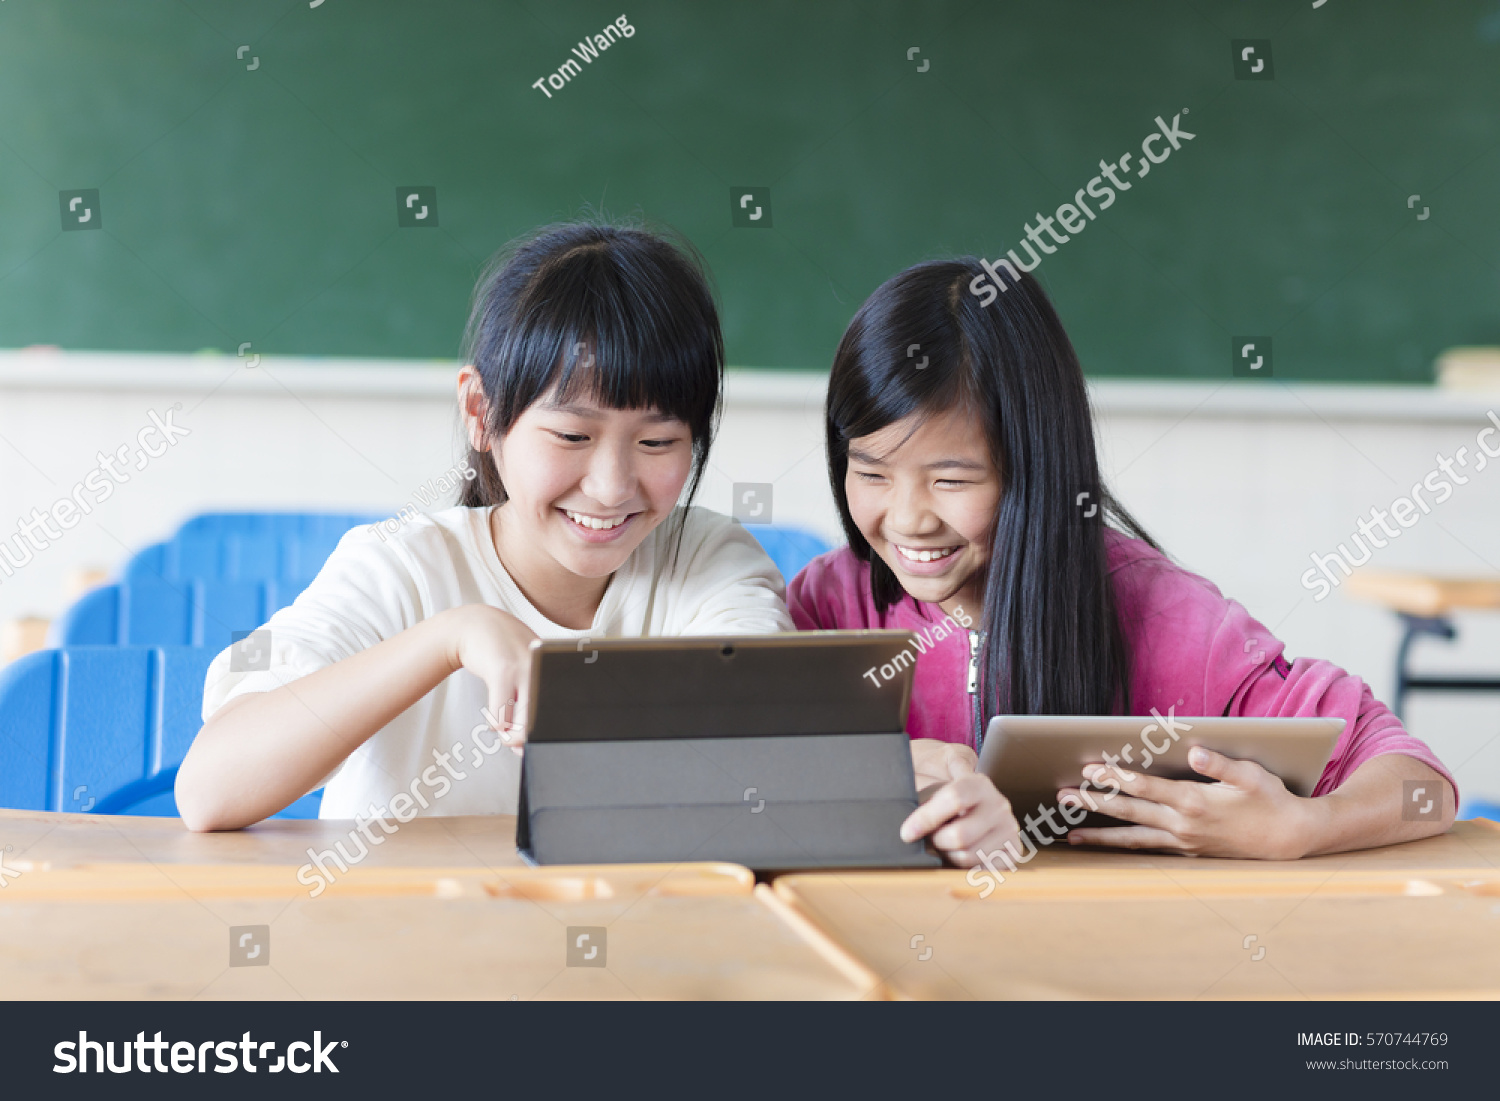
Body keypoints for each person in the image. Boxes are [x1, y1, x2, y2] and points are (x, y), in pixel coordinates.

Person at [789, 259, 1457, 865]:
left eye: (952, 481)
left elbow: (1423, 785)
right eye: (872, 473)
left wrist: (1306, 825)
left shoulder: (1167, 618)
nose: (907, 519)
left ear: (1034, 468)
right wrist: (883, 769)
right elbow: (733, 779)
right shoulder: (826, 607)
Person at [177, 222, 791, 831]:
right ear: (481, 412)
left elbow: (774, 761)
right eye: (572, 435)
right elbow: (211, 791)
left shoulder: (709, 562)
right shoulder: (400, 567)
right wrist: (450, 638)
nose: (611, 487)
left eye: (657, 441)